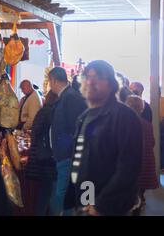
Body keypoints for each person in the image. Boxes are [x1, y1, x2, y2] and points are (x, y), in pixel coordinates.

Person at [65, 60, 142, 216]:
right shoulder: (84, 116)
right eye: (87, 76)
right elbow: (80, 162)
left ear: (112, 84)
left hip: (110, 208)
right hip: (86, 201)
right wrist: (72, 203)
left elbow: (128, 169)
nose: (91, 81)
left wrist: (100, 206)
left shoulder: (125, 117)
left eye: (99, 77)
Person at [48, 67, 87, 216]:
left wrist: (66, 152)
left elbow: (75, 129)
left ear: (53, 80)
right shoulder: (66, 96)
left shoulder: (70, 97)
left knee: (63, 194)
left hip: (67, 156)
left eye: (50, 81)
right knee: (63, 193)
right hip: (64, 155)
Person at [25, 91, 58, 216]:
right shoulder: (52, 113)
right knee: (49, 193)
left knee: (44, 193)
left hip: (39, 158)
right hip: (47, 159)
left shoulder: (43, 111)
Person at [125, 95, 159, 211]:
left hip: (131, 163)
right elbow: (153, 142)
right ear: (141, 108)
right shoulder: (147, 124)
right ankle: (139, 204)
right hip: (146, 161)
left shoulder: (123, 123)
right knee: (140, 189)